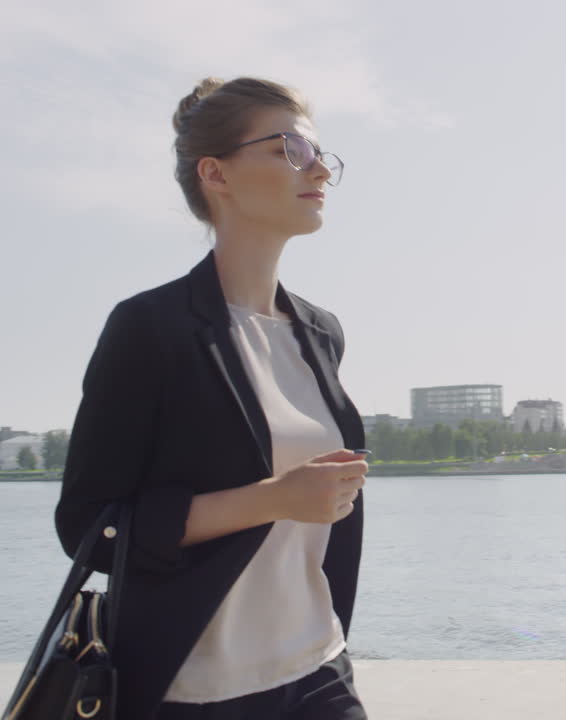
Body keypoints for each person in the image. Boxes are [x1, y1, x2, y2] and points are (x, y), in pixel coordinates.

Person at [55, 77, 370, 720]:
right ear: (216, 174)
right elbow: (88, 525)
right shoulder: (150, 328)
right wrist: (271, 501)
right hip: (194, 689)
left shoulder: (321, 332)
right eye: (292, 149)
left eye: (321, 155)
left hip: (318, 668)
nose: (320, 172)